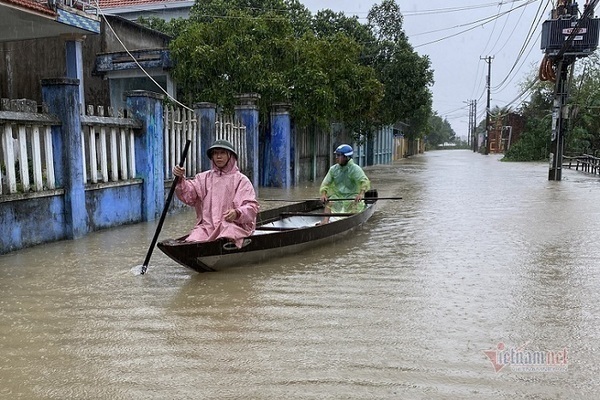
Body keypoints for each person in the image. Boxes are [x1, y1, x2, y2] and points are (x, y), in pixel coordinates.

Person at [173, 139, 259, 248]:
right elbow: (189, 195)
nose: (218, 156)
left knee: (228, 233)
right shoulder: (203, 178)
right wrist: (180, 179)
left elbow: (252, 207)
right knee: (192, 240)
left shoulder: (241, 180)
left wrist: (237, 213)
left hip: (233, 225)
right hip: (207, 227)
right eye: (215, 153)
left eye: (222, 153)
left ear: (230, 156)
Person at [318, 144, 370, 224]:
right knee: (330, 202)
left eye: (339, 155)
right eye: (336, 155)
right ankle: (325, 221)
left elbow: (364, 181)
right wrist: (323, 194)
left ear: (346, 157)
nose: (336, 157)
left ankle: (352, 222)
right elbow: (326, 183)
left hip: (352, 195)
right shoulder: (333, 169)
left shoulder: (355, 169)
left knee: (354, 203)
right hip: (338, 196)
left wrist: (361, 194)